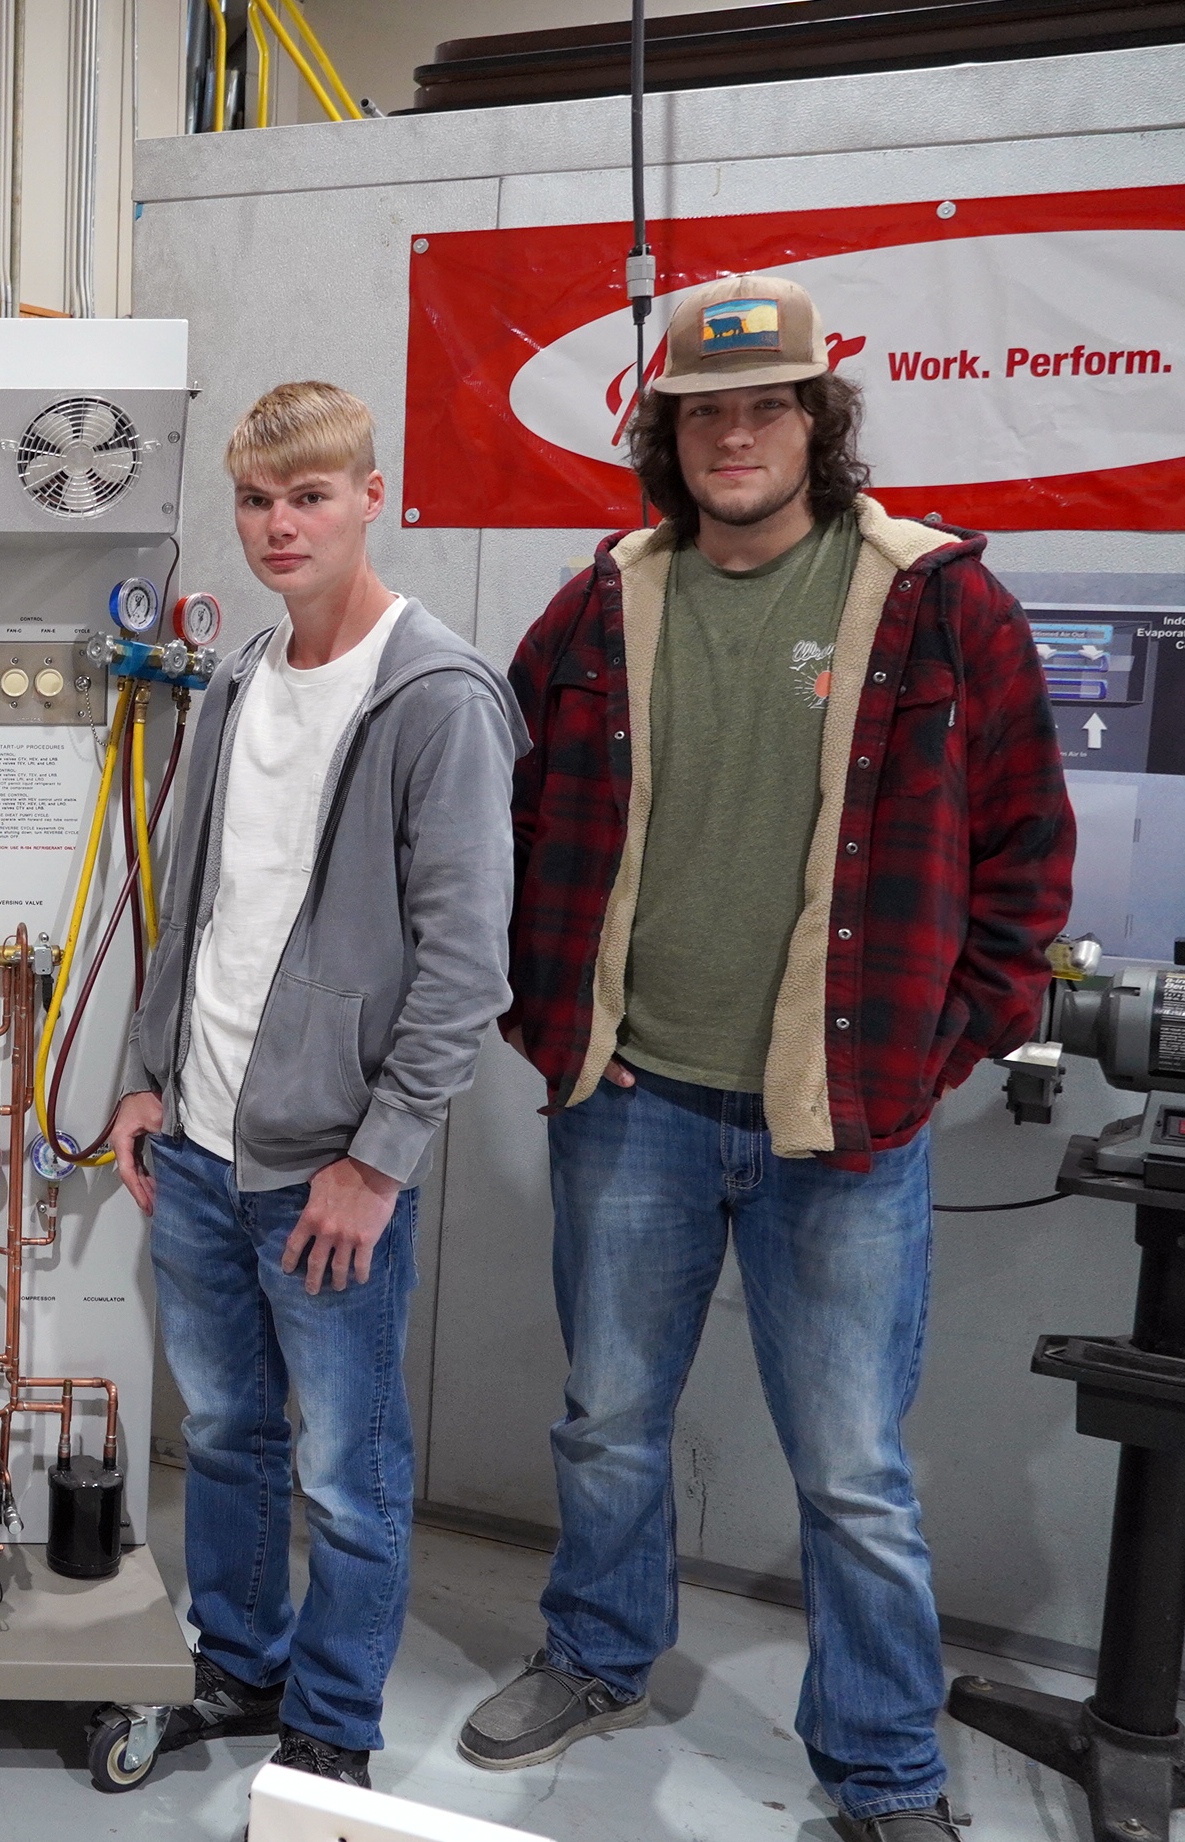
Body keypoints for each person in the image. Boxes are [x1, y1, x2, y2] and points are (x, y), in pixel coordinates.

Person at [461, 274, 1074, 1842]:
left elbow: (1024, 853)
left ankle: (879, 1770)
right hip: (633, 1100)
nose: (733, 435)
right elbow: (510, 816)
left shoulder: (937, 600)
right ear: (665, 435)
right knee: (605, 1417)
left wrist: (952, 1040)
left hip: (843, 1119)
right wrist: (549, 1023)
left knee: (854, 1471)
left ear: (816, 421)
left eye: (764, 405)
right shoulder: (602, 598)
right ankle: (598, 1651)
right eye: (701, 412)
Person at [102, 382, 524, 1788]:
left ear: (368, 499)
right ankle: (238, 1666)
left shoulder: (436, 697)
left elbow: (465, 965)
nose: (278, 527)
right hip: (202, 1144)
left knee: (345, 1468)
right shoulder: (239, 678)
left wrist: (377, 1157)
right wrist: (147, 1079)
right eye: (256, 502)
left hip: (326, 1167)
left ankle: (331, 1729)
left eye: (309, 497)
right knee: (223, 1432)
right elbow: (194, 902)